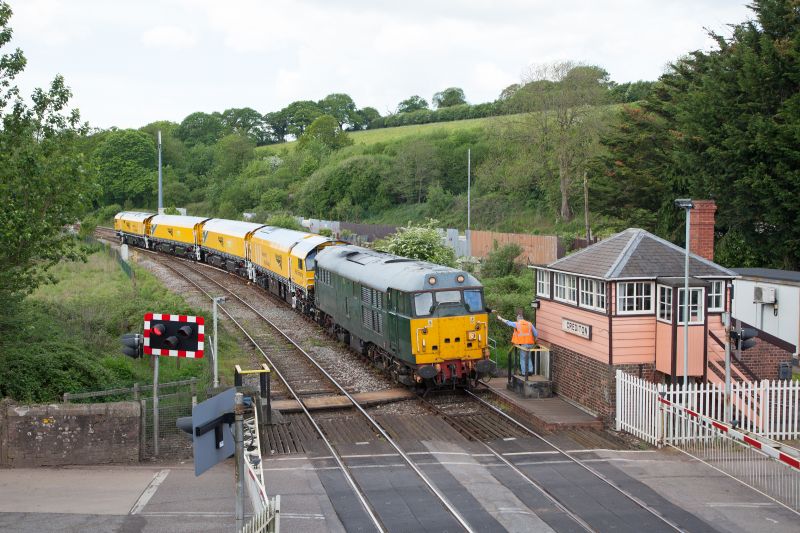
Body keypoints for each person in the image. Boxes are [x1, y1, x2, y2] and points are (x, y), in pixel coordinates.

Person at [495, 310, 538, 376]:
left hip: (523, 344)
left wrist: (500, 318)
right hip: (530, 344)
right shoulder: (529, 324)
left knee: (522, 358)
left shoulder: (517, 324)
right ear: (523, 319)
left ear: (518, 319)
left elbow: (508, 322)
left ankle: (524, 373)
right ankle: (530, 371)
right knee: (528, 357)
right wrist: (535, 340)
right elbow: (536, 333)